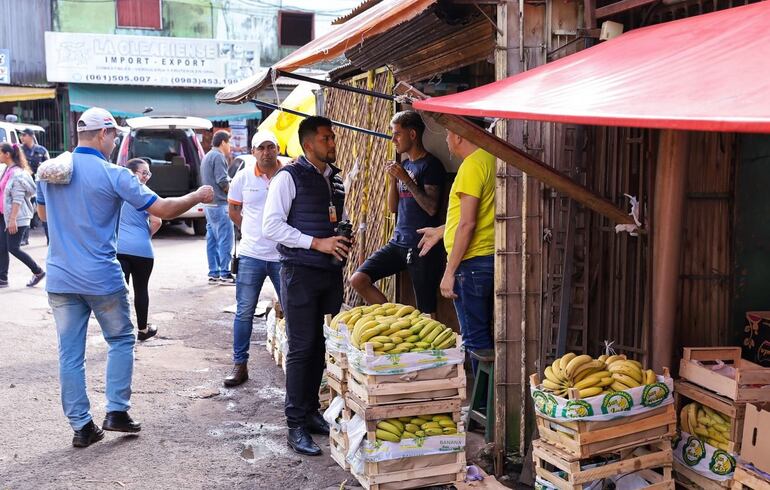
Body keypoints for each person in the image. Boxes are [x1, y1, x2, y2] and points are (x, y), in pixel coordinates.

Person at [36, 107, 214, 448]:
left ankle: (82, 426)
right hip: (100, 277)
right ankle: (116, 411)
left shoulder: (51, 171)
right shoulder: (114, 175)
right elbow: (161, 209)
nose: (114, 141)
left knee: (69, 354)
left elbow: (43, 214)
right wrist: (197, 196)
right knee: (120, 339)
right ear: (103, 134)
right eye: (114, 135)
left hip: (60, 278)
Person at [263, 116, 350, 456]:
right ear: (309, 143)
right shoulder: (288, 177)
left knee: (317, 345)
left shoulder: (331, 178)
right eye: (327, 138)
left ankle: (312, 411)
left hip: (327, 272)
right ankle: (294, 425)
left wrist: (339, 239)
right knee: (301, 349)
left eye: (332, 137)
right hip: (299, 272)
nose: (332, 143)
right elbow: (272, 226)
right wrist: (318, 243)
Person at [350, 111, 445, 316]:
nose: (393, 140)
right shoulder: (405, 165)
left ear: (412, 134)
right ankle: (394, 320)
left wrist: (407, 180)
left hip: (422, 245)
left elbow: (431, 207)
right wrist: (394, 179)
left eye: (397, 134)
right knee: (358, 279)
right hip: (398, 242)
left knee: (426, 309)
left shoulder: (431, 165)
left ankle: (429, 348)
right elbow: (393, 208)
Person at [416, 128, 495, 373]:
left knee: (475, 340)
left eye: (448, 135)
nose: (447, 140)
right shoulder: (491, 159)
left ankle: (484, 406)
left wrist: (449, 271)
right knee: (484, 336)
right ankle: (488, 403)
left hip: (471, 264)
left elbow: (468, 223)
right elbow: (475, 217)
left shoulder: (471, 166)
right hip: (489, 258)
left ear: (460, 136)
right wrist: (443, 230)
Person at [224, 131, 284, 387]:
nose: (266, 152)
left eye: (271, 147)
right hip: (251, 254)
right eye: (261, 148)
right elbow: (233, 211)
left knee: (294, 310)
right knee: (244, 312)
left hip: (283, 254)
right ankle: (240, 365)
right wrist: (251, 230)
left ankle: (297, 364)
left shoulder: (288, 175)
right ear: (253, 152)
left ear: (278, 149)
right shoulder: (243, 177)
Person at [117, 158, 163, 342]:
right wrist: (145, 236)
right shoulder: (147, 194)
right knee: (141, 289)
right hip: (142, 251)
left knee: (120, 291)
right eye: (143, 172)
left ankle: (121, 331)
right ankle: (143, 330)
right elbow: (157, 221)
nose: (146, 177)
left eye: (148, 173)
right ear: (132, 172)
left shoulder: (116, 192)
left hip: (118, 248)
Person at [0, 143, 45, 288]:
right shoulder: (7, 169)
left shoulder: (17, 174)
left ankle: (37, 271)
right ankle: (2, 278)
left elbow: (17, 199)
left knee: (13, 247)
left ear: (7, 154)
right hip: (4, 216)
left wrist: (12, 220)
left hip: (16, 217)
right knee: (2, 246)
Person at [200, 130, 235, 285]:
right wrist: (234, 194)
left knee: (212, 240)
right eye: (229, 143)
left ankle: (214, 273)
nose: (230, 146)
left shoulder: (207, 156)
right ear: (223, 142)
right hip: (220, 205)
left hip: (209, 205)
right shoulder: (219, 156)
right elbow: (222, 181)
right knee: (225, 239)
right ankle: (225, 273)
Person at [20, 128, 49, 246]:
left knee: (44, 210)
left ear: (31, 136)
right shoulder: (20, 150)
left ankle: (50, 239)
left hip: (40, 184)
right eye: (21, 135)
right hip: (25, 184)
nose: (22, 137)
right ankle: (24, 238)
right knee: (26, 212)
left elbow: (48, 165)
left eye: (24, 135)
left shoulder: (41, 150)